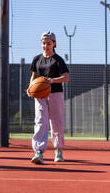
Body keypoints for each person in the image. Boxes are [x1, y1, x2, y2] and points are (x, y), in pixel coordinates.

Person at [27, 31, 69, 165]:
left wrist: (51, 81)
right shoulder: (37, 59)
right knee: (40, 121)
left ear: (54, 44)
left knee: (56, 122)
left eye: (49, 44)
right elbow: (34, 75)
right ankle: (38, 152)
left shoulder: (58, 60)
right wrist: (30, 87)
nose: (46, 46)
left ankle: (58, 149)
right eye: (44, 43)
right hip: (40, 94)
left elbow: (66, 78)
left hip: (55, 93)